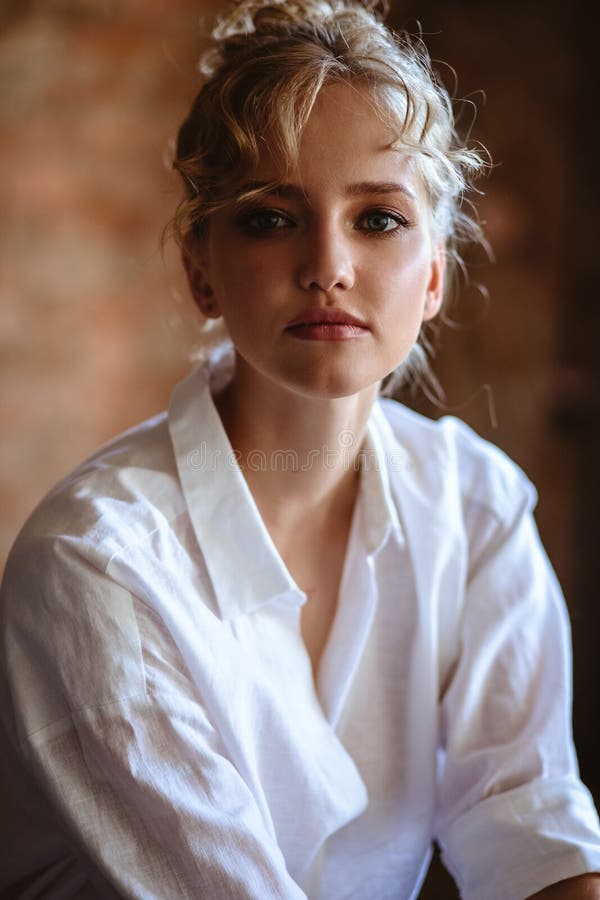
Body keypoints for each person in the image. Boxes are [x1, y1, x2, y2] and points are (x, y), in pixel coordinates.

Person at [1, 0, 599, 897]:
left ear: (434, 274)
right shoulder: (97, 563)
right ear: (200, 268)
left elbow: (532, 833)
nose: (328, 265)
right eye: (271, 218)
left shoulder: (476, 510)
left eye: (379, 219)